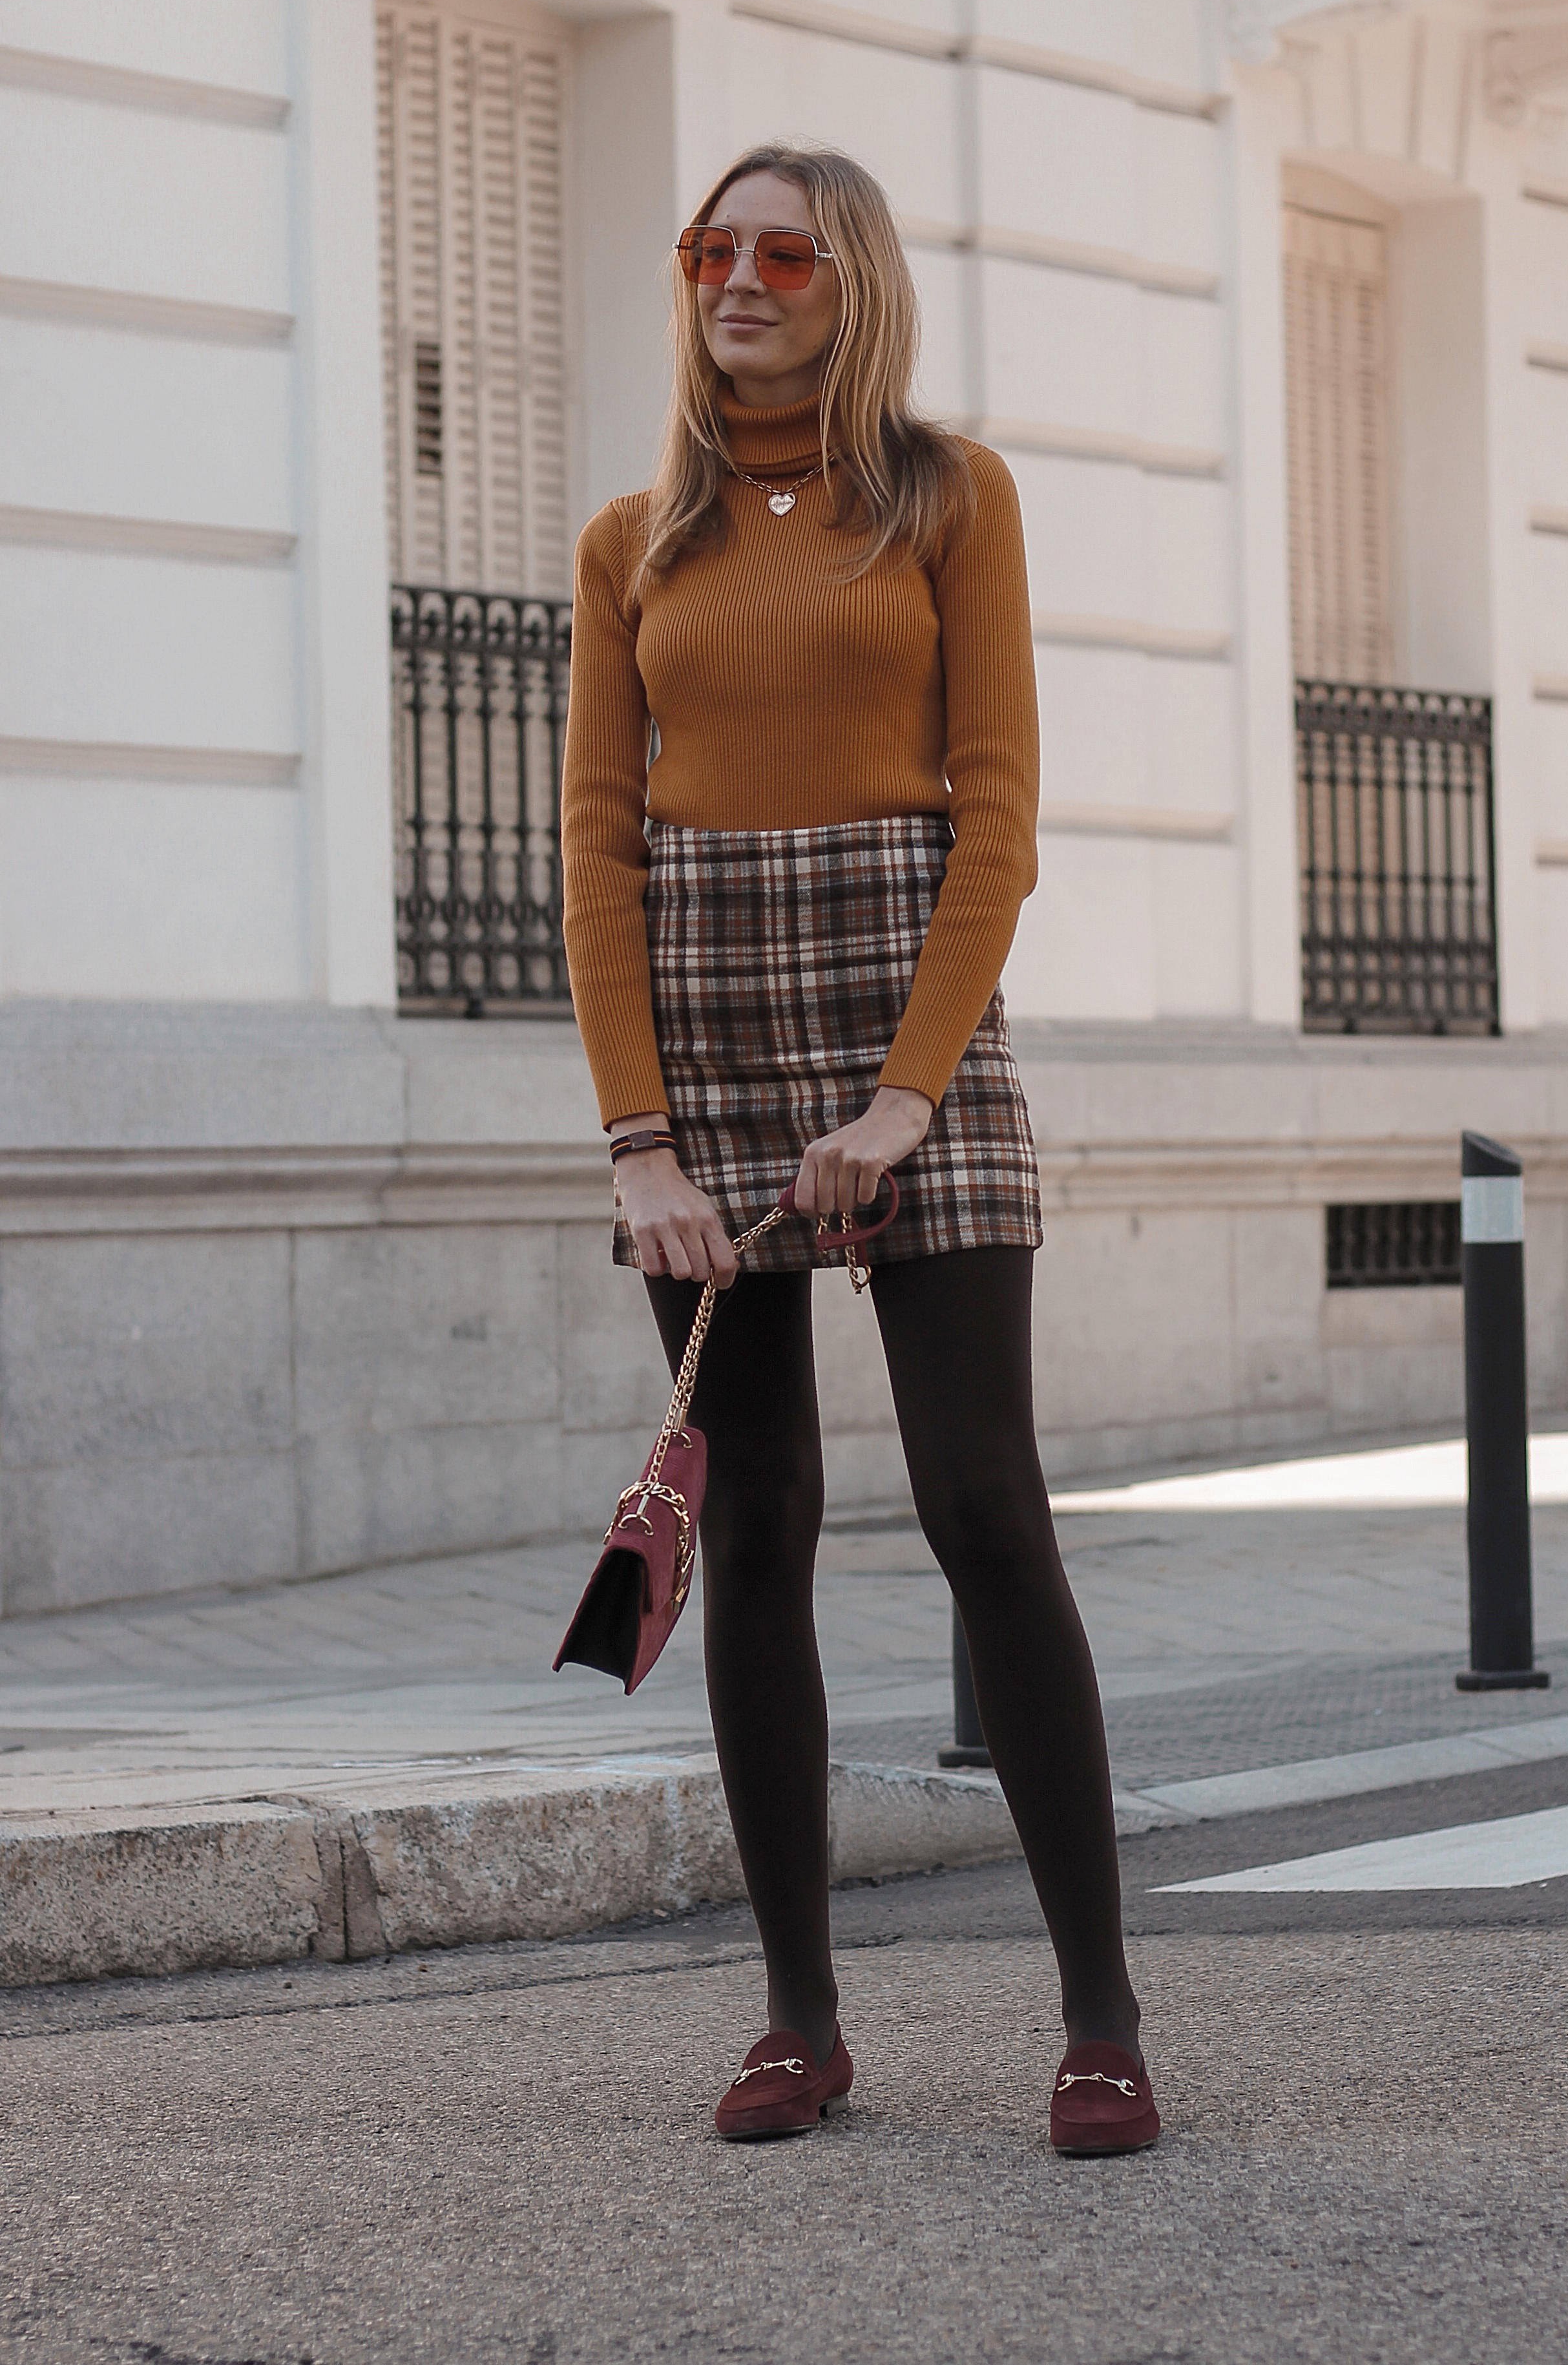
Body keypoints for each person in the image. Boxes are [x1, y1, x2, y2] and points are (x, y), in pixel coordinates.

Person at [560, 140, 1157, 2156]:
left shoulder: (948, 497)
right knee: (763, 1532)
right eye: (711, 249)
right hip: (703, 1038)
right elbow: (596, 851)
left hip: (909, 1017)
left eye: (783, 252)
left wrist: (908, 1091)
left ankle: (1098, 2017)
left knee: (988, 1505)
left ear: (851, 283)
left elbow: (995, 814)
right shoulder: (634, 539)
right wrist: (636, 1139)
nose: (740, 277)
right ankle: (800, 2018)